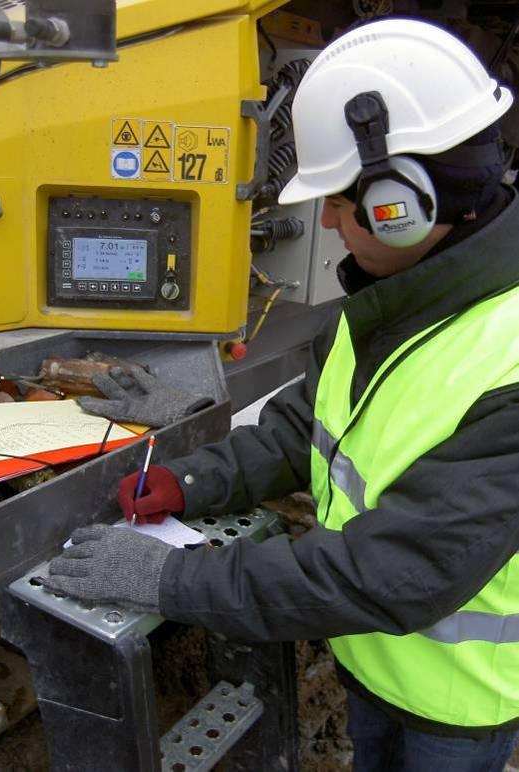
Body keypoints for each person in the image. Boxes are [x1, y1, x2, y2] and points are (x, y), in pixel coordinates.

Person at [44, 18, 519, 772]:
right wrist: (191, 481)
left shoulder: (508, 358)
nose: (325, 219)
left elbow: (392, 572)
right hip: (371, 659)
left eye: (339, 198)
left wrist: (171, 579)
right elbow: (304, 425)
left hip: (454, 708)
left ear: (405, 201)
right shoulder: (386, 302)